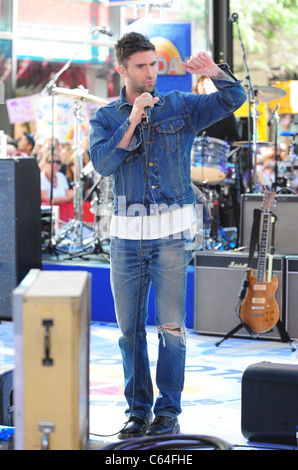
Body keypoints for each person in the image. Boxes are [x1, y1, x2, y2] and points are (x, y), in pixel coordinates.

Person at [89, 32, 246, 439]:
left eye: (153, 64)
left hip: (173, 236)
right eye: (140, 67)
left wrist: (216, 74)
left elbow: (235, 100)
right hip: (126, 239)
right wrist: (133, 118)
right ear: (121, 70)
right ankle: (137, 411)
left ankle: (168, 412)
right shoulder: (106, 116)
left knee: (172, 329)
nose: (149, 74)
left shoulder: (181, 106)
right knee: (129, 332)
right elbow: (104, 164)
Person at [193, 74, 241, 143]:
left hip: (217, 151)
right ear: (197, 86)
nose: (204, 85)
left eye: (208, 82)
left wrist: (223, 146)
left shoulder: (226, 110)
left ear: (216, 86)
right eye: (202, 82)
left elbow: (235, 139)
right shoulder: (190, 110)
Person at [40, 152, 74, 221]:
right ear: (46, 163)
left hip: (64, 211)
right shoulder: (41, 177)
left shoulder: (61, 176)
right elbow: (45, 198)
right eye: (51, 162)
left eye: (58, 162)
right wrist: (66, 198)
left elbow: (69, 195)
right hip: (48, 212)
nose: (55, 164)